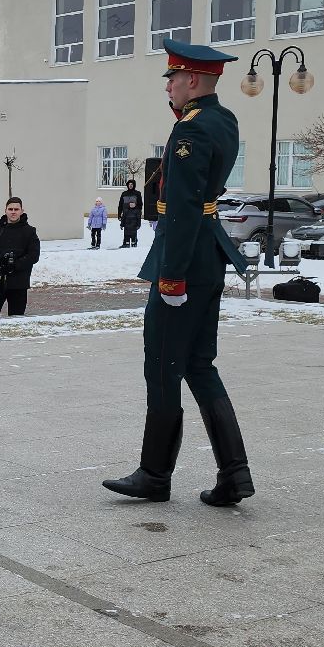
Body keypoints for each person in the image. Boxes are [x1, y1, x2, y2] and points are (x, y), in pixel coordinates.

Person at [103, 39, 255, 509]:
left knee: (164, 368)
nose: (167, 86)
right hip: (208, 256)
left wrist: (170, 278)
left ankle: (154, 474)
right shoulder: (223, 120)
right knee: (199, 366)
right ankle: (235, 473)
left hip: (184, 260)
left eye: (172, 78)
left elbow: (186, 208)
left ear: (191, 80)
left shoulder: (190, 131)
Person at [0, 197, 39, 317]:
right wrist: (0, 259)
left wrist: (15, 264)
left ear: (22, 211)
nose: (13, 212)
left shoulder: (29, 232)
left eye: (16, 209)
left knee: (16, 319)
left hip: (19, 283)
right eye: (10, 209)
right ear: (5, 210)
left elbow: (33, 256)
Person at [117, 178, 144, 248]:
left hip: (134, 215)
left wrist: (137, 209)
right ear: (127, 185)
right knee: (126, 230)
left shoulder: (137, 193)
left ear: (134, 185)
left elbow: (140, 204)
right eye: (129, 184)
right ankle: (125, 243)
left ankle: (134, 242)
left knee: (133, 229)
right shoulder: (124, 194)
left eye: (132, 184)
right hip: (125, 214)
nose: (130, 185)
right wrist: (119, 214)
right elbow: (120, 205)